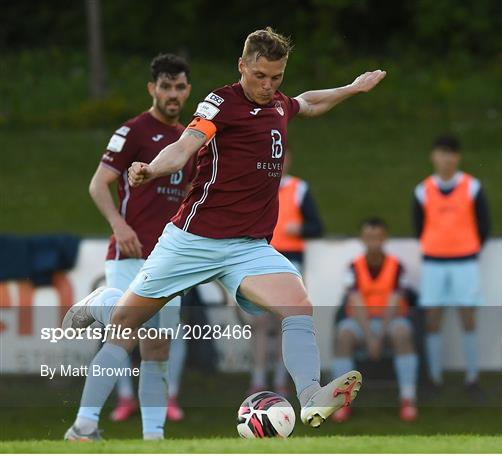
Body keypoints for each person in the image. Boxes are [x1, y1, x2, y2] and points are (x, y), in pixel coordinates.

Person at [63, 27, 386, 430]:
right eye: (260, 76)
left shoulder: (278, 105)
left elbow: (309, 103)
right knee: (128, 324)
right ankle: (100, 302)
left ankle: (310, 396)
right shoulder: (220, 103)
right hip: (193, 239)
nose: (268, 86)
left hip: (248, 247)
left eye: (276, 77)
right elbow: (184, 146)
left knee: (298, 305)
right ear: (242, 66)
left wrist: (352, 88)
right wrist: (151, 168)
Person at [64, 54, 195, 441]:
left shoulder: (190, 138)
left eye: (179, 87)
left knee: (158, 351)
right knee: (124, 335)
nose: (173, 94)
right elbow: (97, 183)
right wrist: (118, 225)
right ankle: (84, 425)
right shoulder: (133, 130)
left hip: (169, 259)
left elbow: (189, 193)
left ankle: (153, 439)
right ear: (152, 88)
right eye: (166, 87)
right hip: (130, 252)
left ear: (188, 91)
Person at [412, 134, 491, 400]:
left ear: (457, 157)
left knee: (467, 318)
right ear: (433, 156)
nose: (446, 158)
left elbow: (484, 225)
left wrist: (466, 246)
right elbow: (418, 226)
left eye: (450, 153)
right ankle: (434, 379)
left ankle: (472, 378)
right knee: (433, 320)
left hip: (465, 262)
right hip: (434, 263)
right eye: (441, 153)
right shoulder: (423, 190)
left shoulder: (472, 187)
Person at [246, 150, 324, 396]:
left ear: (287, 159)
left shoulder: (299, 189)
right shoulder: (255, 185)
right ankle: (258, 379)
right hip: (259, 261)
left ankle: (281, 380)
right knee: (259, 322)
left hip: (289, 262)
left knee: (286, 322)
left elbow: (317, 226)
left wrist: (300, 228)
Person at [331, 218, 418, 422]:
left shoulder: (397, 267)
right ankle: (342, 401)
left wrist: (378, 337)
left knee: (402, 334)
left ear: (384, 239)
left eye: (377, 238)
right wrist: (370, 335)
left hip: (391, 320)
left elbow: (394, 302)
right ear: (362, 239)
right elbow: (356, 301)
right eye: (369, 238)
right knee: (344, 336)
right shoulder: (353, 267)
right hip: (361, 322)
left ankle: (408, 398)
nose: (373, 242)